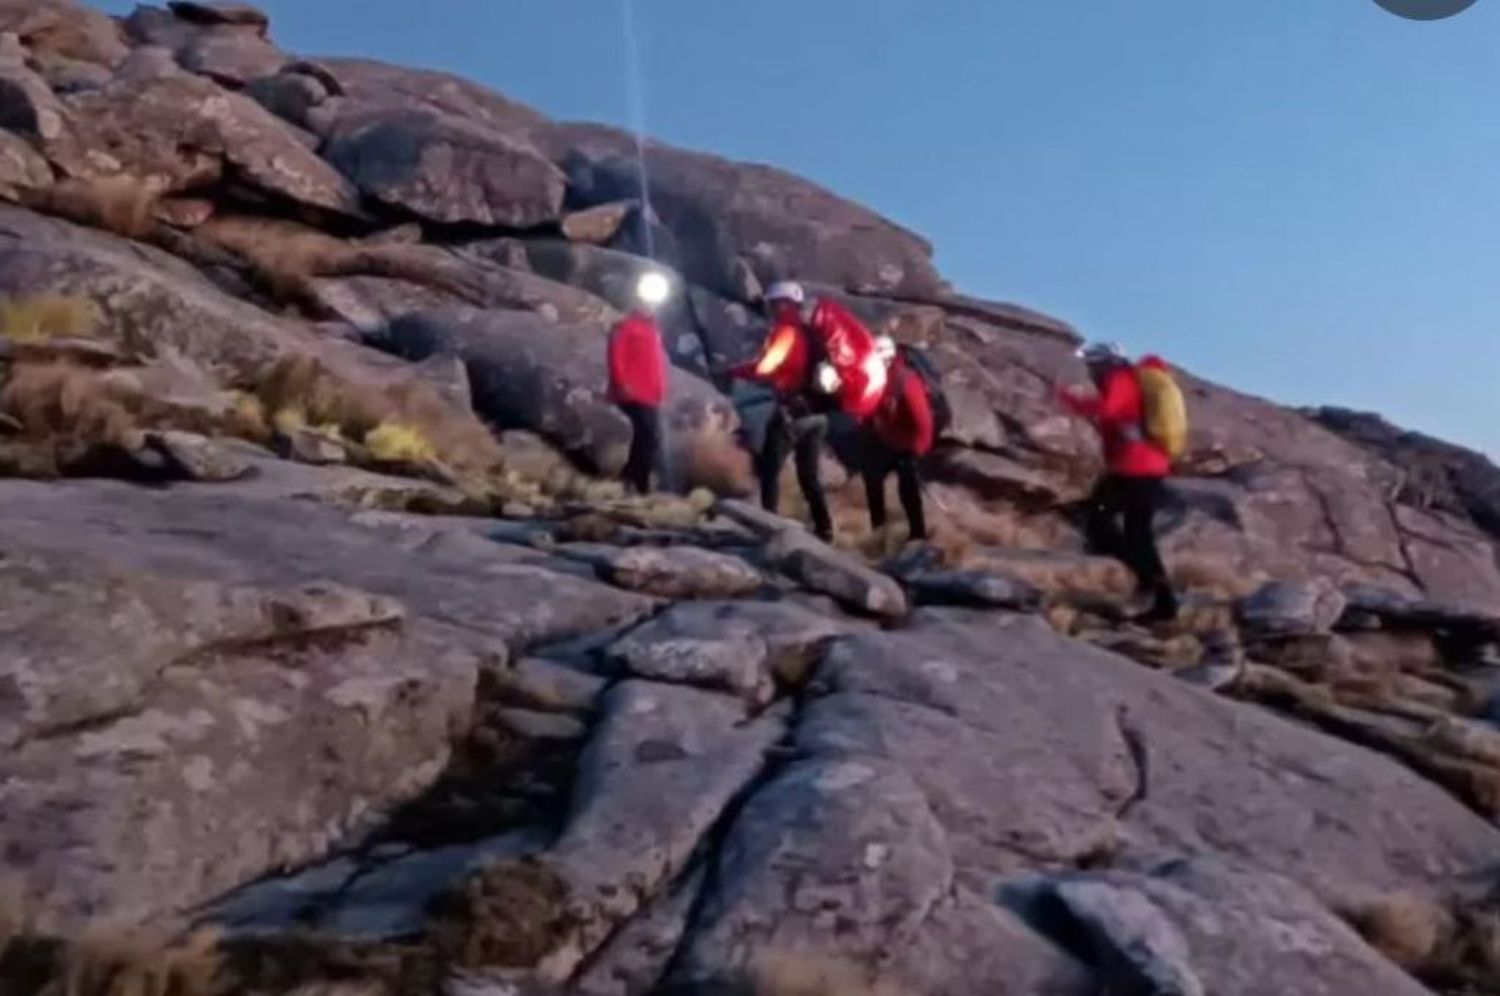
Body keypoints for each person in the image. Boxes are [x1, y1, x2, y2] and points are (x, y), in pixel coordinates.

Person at [1058, 341, 1179, 623]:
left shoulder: (1119, 379)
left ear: (1104, 363)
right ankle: (1146, 587)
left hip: (1136, 468)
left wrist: (1072, 401)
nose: (1089, 371)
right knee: (1112, 523)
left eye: (1092, 365)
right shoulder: (1124, 378)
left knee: (1123, 529)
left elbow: (1109, 409)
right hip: (1137, 467)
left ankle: (1155, 595)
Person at [729, 281, 837, 540]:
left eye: (774, 303)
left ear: (784, 303)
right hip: (818, 414)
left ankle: (768, 527)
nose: (771, 308)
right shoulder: (811, 333)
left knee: (769, 468)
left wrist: (735, 372)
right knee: (809, 475)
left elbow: (768, 367)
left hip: (794, 412)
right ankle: (825, 528)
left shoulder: (786, 331)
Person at [859, 336, 934, 541]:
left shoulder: (906, 381)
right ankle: (879, 533)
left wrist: (915, 452)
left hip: (908, 445)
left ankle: (918, 537)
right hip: (888, 440)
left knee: (908, 490)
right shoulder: (878, 377)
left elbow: (923, 423)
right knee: (872, 479)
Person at [607, 271, 671, 494]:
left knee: (648, 438)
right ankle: (638, 483)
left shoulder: (653, 329)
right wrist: (622, 383)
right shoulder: (625, 326)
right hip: (632, 392)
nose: (650, 307)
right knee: (647, 436)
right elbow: (616, 355)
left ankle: (630, 479)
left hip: (649, 393)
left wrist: (660, 390)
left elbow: (655, 363)